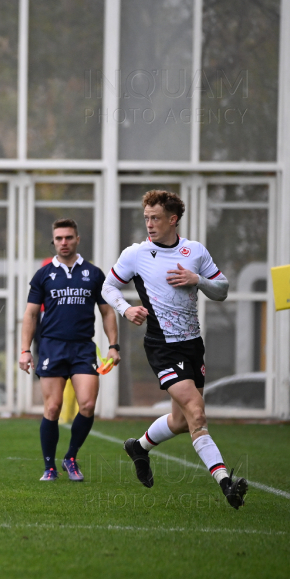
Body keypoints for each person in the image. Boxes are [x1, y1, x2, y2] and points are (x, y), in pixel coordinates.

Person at [101, 189, 248, 510]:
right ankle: (226, 484)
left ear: (173, 219)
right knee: (197, 413)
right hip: (162, 346)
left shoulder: (194, 251)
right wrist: (126, 309)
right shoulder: (136, 254)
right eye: (146, 218)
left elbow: (222, 290)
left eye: (155, 218)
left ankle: (138, 447)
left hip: (193, 345)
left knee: (181, 421)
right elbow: (108, 286)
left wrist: (197, 279)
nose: (149, 224)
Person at [18, 218, 120, 482]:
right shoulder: (43, 275)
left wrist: (113, 346)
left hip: (83, 348)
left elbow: (107, 311)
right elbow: (30, 315)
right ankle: (49, 467)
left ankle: (70, 457)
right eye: (59, 238)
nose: (64, 243)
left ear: (77, 239)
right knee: (52, 408)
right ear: (53, 241)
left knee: (87, 404)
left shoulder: (94, 274)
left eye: (69, 237)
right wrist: (25, 350)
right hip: (52, 345)